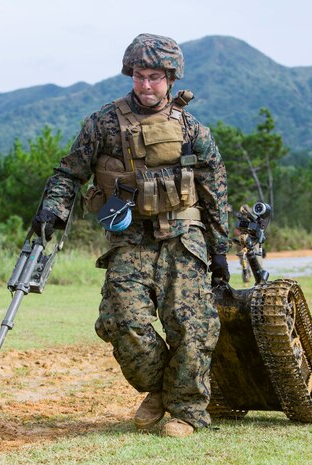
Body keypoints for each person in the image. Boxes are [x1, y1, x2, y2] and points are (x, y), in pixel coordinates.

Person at [32, 33, 230, 438]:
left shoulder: (193, 130)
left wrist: (221, 249)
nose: (145, 85)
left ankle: (187, 412)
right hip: (130, 239)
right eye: (139, 76)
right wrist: (52, 208)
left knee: (192, 325)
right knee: (122, 322)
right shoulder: (103, 122)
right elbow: (70, 172)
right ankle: (160, 389)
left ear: (171, 78)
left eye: (154, 77)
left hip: (183, 238)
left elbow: (214, 190)